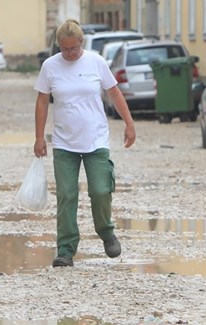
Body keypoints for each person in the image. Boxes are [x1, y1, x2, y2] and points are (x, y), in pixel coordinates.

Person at [33, 19, 136, 268]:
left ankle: (106, 231)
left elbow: (114, 92)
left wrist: (129, 123)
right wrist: (38, 137)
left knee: (101, 190)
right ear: (59, 46)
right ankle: (65, 250)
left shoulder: (96, 62)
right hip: (64, 143)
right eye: (64, 49)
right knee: (67, 196)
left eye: (74, 49)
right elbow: (42, 102)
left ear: (82, 43)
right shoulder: (50, 66)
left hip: (95, 139)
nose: (69, 54)